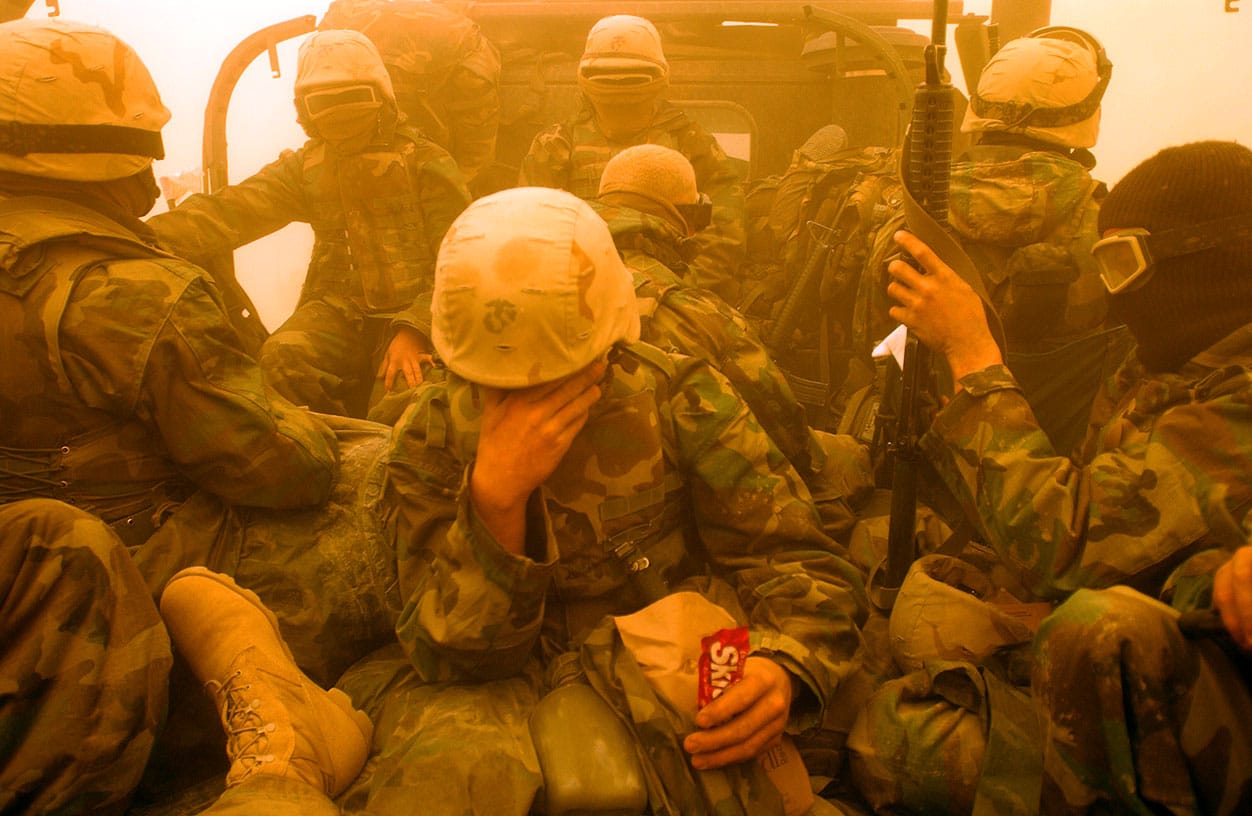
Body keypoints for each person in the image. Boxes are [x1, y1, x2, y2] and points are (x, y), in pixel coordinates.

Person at [331, 186, 869, 815]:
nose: (527, 394)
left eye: (557, 371)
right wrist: (496, 503)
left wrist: (783, 666)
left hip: (662, 657)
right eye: (493, 383)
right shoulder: (430, 432)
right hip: (498, 683)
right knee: (443, 782)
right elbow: (447, 653)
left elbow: (800, 564)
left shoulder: (677, 396)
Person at [864, 140, 1252, 812]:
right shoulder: (1173, 370)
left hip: (1171, 678)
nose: (1117, 293)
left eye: (1126, 262)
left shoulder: (1235, 401)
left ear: (1209, 256)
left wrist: (973, 357)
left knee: (913, 746)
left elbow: (1064, 547)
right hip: (1147, 654)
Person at [150, 28, 472, 418]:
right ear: (305, 110)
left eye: (353, 97)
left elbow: (461, 262)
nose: (339, 113)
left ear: (380, 97)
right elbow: (230, 211)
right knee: (282, 361)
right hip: (338, 312)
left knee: (407, 399)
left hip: (420, 313)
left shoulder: (426, 163)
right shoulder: (307, 168)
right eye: (324, 102)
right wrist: (132, 237)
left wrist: (414, 328)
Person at [590, 143, 872, 540]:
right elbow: (783, 432)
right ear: (686, 217)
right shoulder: (696, 313)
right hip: (652, 524)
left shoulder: (536, 279)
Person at [949, 26, 1130, 454]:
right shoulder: (1113, 233)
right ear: (1087, 117)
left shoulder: (914, 214)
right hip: (1062, 487)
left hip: (928, 471)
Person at [520, 14, 748, 305]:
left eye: (631, 75)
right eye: (609, 75)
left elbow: (723, 232)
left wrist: (679, 291)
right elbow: (532, 233)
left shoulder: (691, 143)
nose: (619, 84)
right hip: (581, 295)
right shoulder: (556, 146)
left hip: (670, 294)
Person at [319, 0, 502, 183]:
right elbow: (477, 128)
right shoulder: (460, 33)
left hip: (352, 168)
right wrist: (463, 185)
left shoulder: (343, 15)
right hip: (435, 168)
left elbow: (320, 102)